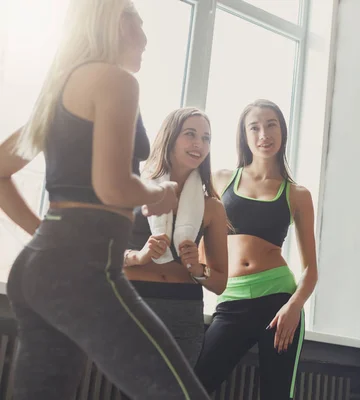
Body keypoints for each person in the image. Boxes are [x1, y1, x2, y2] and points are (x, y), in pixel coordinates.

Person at [0, 0, 211, 398]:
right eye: (140, 22)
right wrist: (159, 193)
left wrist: (44, 238)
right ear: (118, 22)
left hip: (38, 268)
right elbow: (112, 187)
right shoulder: (116, 81)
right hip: (85, 270)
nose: (147, 39)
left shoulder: (61, 89)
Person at [194, 99, 318, 400]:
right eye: (255, 127)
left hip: (278, 303)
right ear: (245, 136)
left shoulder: (297, 194)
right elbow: (200, 246)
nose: (264, 134)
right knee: (193, 386)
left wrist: (293, 306)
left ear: (282, 131)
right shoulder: (221, 180)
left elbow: (310, 270)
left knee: (276, 395)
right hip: (232, 300)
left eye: (271, 125)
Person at [124, 107, 228, 366]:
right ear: (170, 138)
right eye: (190, 134)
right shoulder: (133, 190)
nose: (199, 144)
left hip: (184, 313)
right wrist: (138, 256)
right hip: (135, 305)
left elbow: (219, 283)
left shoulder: (212, 207)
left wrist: (197, 268)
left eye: (206, 138)